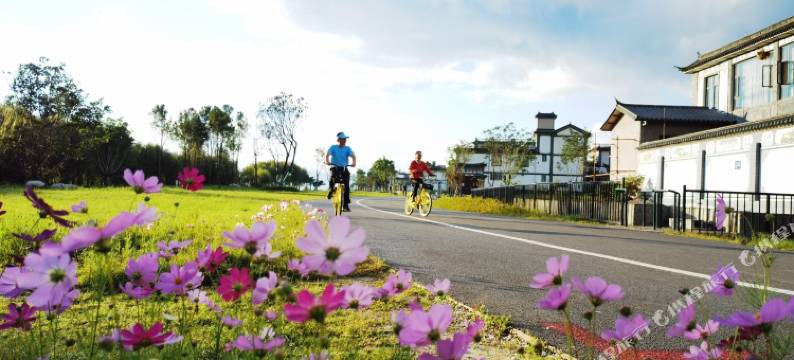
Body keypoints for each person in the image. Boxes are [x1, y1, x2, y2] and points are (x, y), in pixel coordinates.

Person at [325, 132, 356, 212]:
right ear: (338, 140)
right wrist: (327, 161)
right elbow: (327, 154)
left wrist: (354, 163)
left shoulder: (347, 148)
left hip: (344, 168)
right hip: (335, 167)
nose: (344, 140)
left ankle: (345, 205)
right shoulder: (333, 147)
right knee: (333, 179)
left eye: (345, 139)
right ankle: (331, 190)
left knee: (346, 186)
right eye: (342, 139)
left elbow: (353, 156)